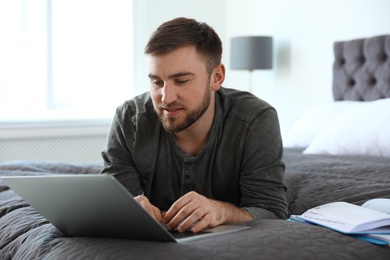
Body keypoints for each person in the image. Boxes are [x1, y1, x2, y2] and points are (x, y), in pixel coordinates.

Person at [101, 17, 288, 234]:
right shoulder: (129, 118)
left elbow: (272, 212)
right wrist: (128, 209)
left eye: (181, 81)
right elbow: (114, 207)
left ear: (216, 77)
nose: (166, 98)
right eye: (157, 82)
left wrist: (220, 211)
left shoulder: (256, 120)